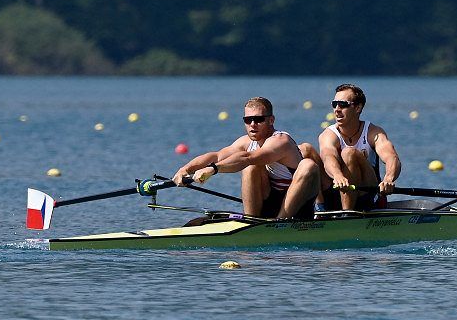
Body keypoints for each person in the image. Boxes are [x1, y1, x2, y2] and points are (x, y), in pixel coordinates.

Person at [172, 97, 320, 219]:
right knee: (251, 168)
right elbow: (216, 156)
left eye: (258, 119)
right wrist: (185, 169)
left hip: (300, 207)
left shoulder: (281, 141)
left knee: (308, 165)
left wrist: (213, 169)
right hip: (270, 202)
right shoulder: (246, 142)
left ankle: (280, 223)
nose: (253, 124)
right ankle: (252, 220)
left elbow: (248, 157)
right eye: (248, 120)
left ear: (271, 120)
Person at [316, 83, 402, 211]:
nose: (337, 109)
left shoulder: (374, 132)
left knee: (349, 153)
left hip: (368, 194)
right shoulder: (328, 134)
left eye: (343, 105)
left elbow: (392, 158)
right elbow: (328, 156)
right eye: (334, 104)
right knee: (306, 150)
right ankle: (320, 208)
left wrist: (388, 178)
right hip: (339, 191)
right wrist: (337, 175)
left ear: (357, 108)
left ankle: (347, 214)